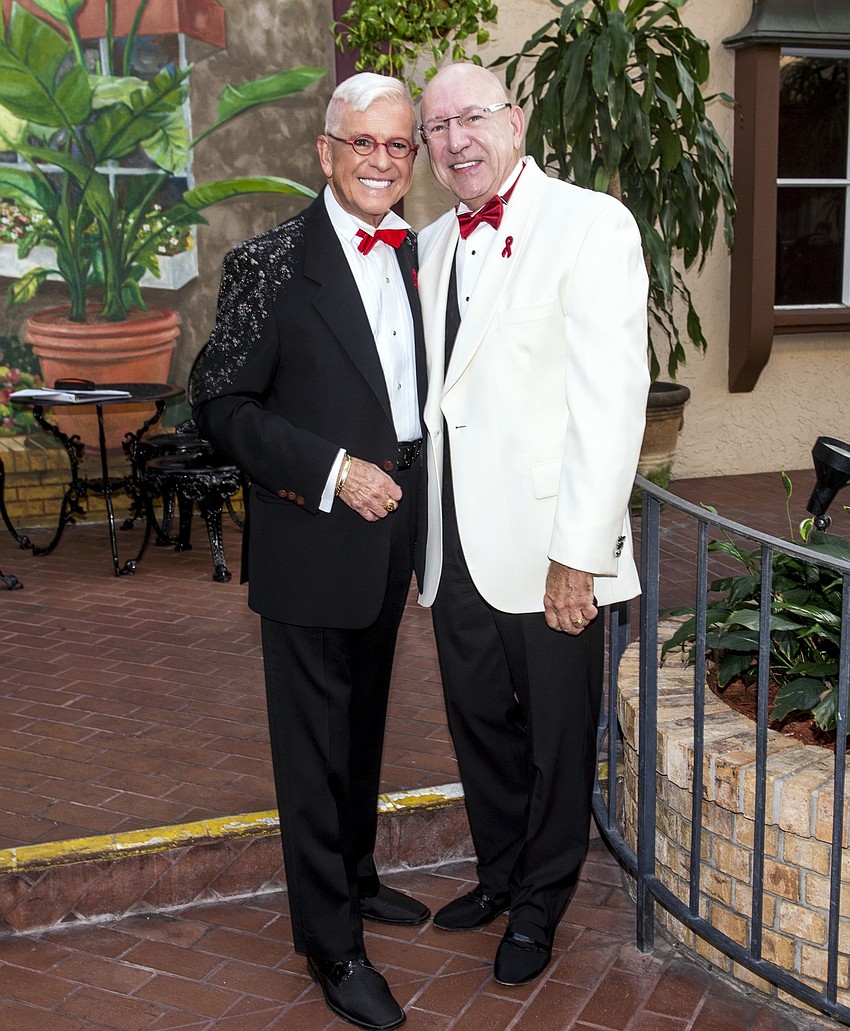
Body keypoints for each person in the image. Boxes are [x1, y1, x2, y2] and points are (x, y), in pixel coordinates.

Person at [193, 73, 429, 1031]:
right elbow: (220, 404)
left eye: (397, 145)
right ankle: (331, 946)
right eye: (361, 143)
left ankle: (357, 873)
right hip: (314, 533)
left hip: (398, 533)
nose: (381, 161)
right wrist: (333, 468)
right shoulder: (269, 263)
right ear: (325, 152)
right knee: (312, 750)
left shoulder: (425, 255)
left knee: (365, 727)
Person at [415, 63, 650, 987]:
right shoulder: (432, 242)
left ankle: (543, 899)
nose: (456, 140)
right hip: (453, 545)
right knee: (479, 724)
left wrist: (578, 554)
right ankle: (501, 873)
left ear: (515, 119)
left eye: (472, 117)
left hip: (551, 546)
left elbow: (611, 402)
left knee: (556, 733)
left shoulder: (592, 224)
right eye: (437, 127)